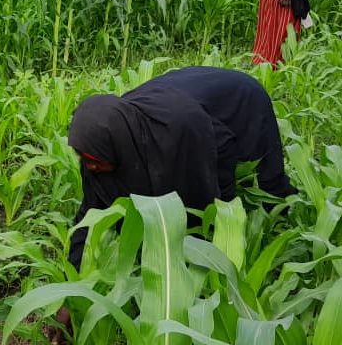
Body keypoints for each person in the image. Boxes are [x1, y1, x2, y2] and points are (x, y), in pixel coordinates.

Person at [67, 66, 295, 269]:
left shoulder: (176, 131)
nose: (91, 166)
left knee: (268, 183)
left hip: (240, 100)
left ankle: (287, 230)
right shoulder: (106, 138)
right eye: (85, 158)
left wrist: (222, 213)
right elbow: (90, 212)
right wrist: (72, 283)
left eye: (94, 160)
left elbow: (224, 147)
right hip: (187, 93)